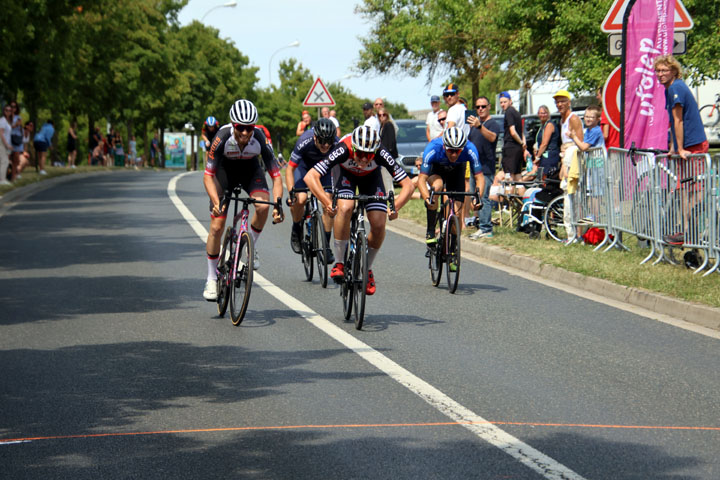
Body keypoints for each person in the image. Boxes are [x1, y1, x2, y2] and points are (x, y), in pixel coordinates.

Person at [304, 125, 413, 295]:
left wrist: (395, 207)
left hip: (371, 178)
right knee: (346, 207)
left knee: (378, 224)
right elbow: (310, 176)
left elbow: (408, 185)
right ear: (353, 147)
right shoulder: (343, 148)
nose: (363, 159)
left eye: (368, 155)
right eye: (360, 153)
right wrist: (327, 202)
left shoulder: (380, 152)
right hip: (346, 175)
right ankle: (339, 262)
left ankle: (367, 269)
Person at [202, 99, 284, 301]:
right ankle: (211, 278)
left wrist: (278, 203)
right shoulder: (221, 137)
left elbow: (276, 175)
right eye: (240, 128)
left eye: (249, 128)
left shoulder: (260, 138)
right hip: (224, 172)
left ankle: (249, 248)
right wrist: (215, 202)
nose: (245, 133)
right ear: (233, 124)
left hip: (250, 170)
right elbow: (207, 175)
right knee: (216, 226)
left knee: (263, 206)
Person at [655, 55, 709, 246]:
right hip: (687, 145)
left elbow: (679, 120)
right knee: (684, 189)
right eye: (658, 71)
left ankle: (694, 232)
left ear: (674, 71)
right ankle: (687, 231)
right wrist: (672, 148)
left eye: (664, 71)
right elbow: (672, 121)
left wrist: (680, 148)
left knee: (693, 190)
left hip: (693, 145)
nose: (660, 74)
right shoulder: (669, 89)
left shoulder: (676, 87)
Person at [417, 127, 484, 257]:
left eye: (458, 151)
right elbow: (421, 179)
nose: (454, 154)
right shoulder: (433, 148)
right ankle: (430, 230)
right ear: (444, 146)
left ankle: (453, 248)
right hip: (437, 170)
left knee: (456, 214)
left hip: (457, 171)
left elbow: (479, 177)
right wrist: (427, 198)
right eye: (450, 150)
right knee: (437, 187)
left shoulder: (470, 149)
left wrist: (478, 198)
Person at [286, 118, 338, 262]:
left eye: (329, 142)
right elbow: (290, 169)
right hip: (304, 167)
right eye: (322, 141)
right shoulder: (304, 141)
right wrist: (291, 193)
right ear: (315, 137)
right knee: (301, 199)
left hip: (325, 171)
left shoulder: (337, 144)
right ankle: (296, 229)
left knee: (328, 201)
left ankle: (326, 246)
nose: (326, 145)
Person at [467, 96, 502, 239]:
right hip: (474, 167)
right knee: (474, 196)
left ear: (489, 107)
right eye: (477, 107)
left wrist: (480, 127)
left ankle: (486, 228)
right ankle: (481, 224)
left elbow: (492, 137)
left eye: (483, 106)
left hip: (485, 168)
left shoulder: (492, 124)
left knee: (484, 197)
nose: (480, 109)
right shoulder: (475, 126)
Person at [554, 89, 584, 241]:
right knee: (568, 197)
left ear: (569, 102)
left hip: (574, 161)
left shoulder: (574, 119)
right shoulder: (562, 120)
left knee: (574, 198)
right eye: (557, 102)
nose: (559, 105)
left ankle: (576, 234)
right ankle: (570, 234)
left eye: (562, 101)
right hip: (566, 159)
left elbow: (580, 141)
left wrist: (568, 148)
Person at [499, 91, 525, 184]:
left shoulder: (509, 112)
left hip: (511, 147)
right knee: (518, 177)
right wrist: (522, 144)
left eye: (505, 102)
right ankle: (522, 198)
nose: (502, 104)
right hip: (517, 149)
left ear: (510, 101)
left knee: (509, 178)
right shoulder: (517, 113)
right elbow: (521, 132)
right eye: (501, 102)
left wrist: (521, 143)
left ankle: (509, 198)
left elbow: (513, 132)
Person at [532, 105, 561, 174]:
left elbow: (544, 144)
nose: (542, 115)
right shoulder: (542, 126)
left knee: (545, 176)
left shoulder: (549, 125)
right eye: (540, 113)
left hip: (550, 155)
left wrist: (537, 158)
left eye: (544, 113)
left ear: (548, 114)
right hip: (544, 155)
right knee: (539, 175)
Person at [9, 101, 24, 181]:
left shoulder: (18, 117)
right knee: (8, 158)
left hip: (16, 139)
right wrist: (15, 125)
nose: (12, 108)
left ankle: (14, 176)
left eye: (14, 107)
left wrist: (18, 125)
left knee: (16, 159)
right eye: (11, 106)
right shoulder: (7, 117)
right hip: (9, 138)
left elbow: (19, 127)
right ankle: (9, 176)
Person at [0, 104, 13, 184]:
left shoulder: (8, 121)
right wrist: (6, 144)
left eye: (10, 110)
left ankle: (2, 178)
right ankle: (2, 180)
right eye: (6, 110)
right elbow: (1, 133)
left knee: (5, 161)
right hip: (2, 143)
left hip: (6, 143)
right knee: (4, 161)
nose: (8, 112)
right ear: (4, 111)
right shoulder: (2, 120)